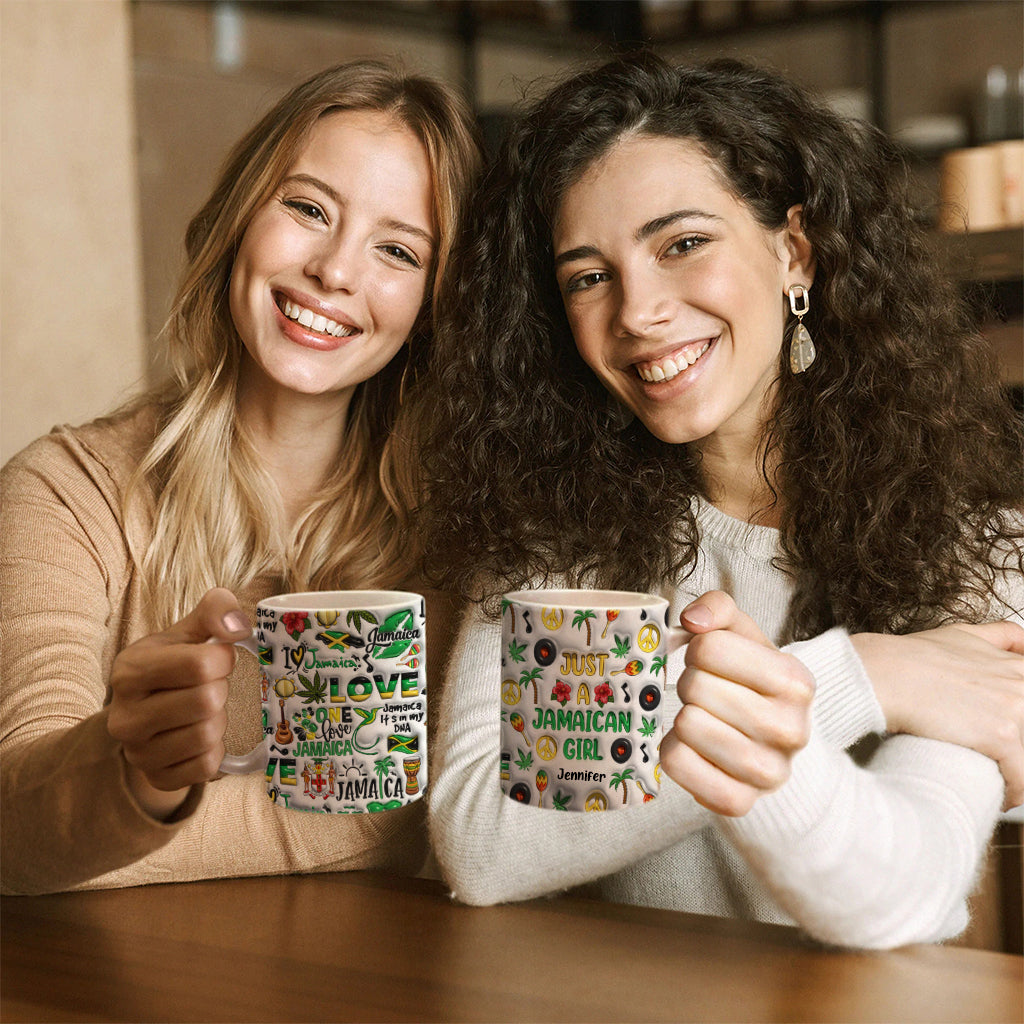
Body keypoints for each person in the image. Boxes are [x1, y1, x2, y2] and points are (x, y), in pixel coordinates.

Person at [416, 53, 1024, 949]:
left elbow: (901, 892)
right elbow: (479, 844)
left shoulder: (977, 545)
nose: (637, 311)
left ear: (794, 252)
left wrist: (779, 693)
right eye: (588, 276)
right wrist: (859, 676)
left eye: (682, 244)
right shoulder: (552, 540)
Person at [1, 59, 482, 895]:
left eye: (397, 250)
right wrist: (138, 776)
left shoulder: (458, 531)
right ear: (238, 220)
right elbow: (16, 824)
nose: (335, 270)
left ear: (434, 304)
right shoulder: (65, 491)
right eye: (307, 209)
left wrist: (120, 833)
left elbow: (416, 805)